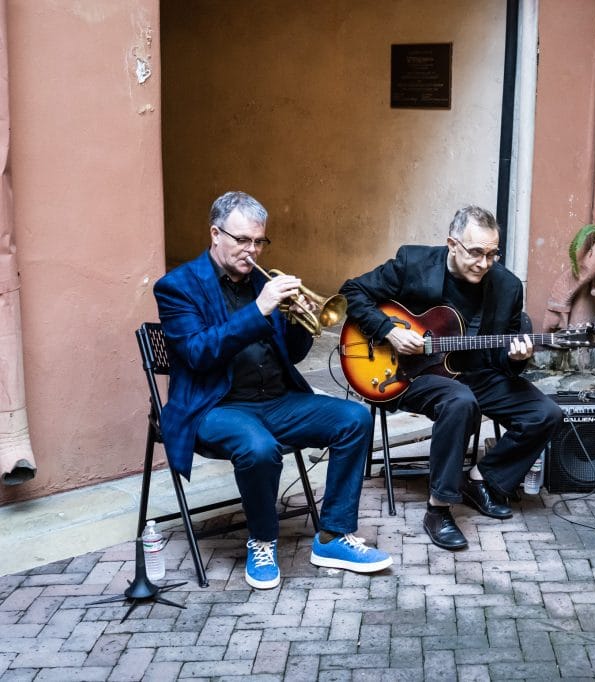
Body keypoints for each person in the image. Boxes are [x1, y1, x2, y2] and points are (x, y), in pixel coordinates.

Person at [154, 191, 392, 588]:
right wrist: (259, 310)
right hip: (215, 406)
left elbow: (293, 355)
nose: (252, 251)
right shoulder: (178, 287)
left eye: (258, 241)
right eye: (242, 240)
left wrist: (301, 321)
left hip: (276, 400)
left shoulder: (264, 282)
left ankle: (333, 536)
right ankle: (262, 541)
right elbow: (197, 353)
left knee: (354, 417)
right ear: (216, 234)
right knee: (259, 447)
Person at [341, 205, 562, 551]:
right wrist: (389, 332)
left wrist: (518, 358)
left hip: (476, 374)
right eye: (476, 252)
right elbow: (353, 292)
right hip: (410, 375)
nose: (485, 263)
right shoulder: (413, 263)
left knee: (546, 414)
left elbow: (502, 360)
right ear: (452, 244)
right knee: (459, 400)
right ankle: (439, 508)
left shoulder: (506, 287)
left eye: (492, 253)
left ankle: (481, 479)